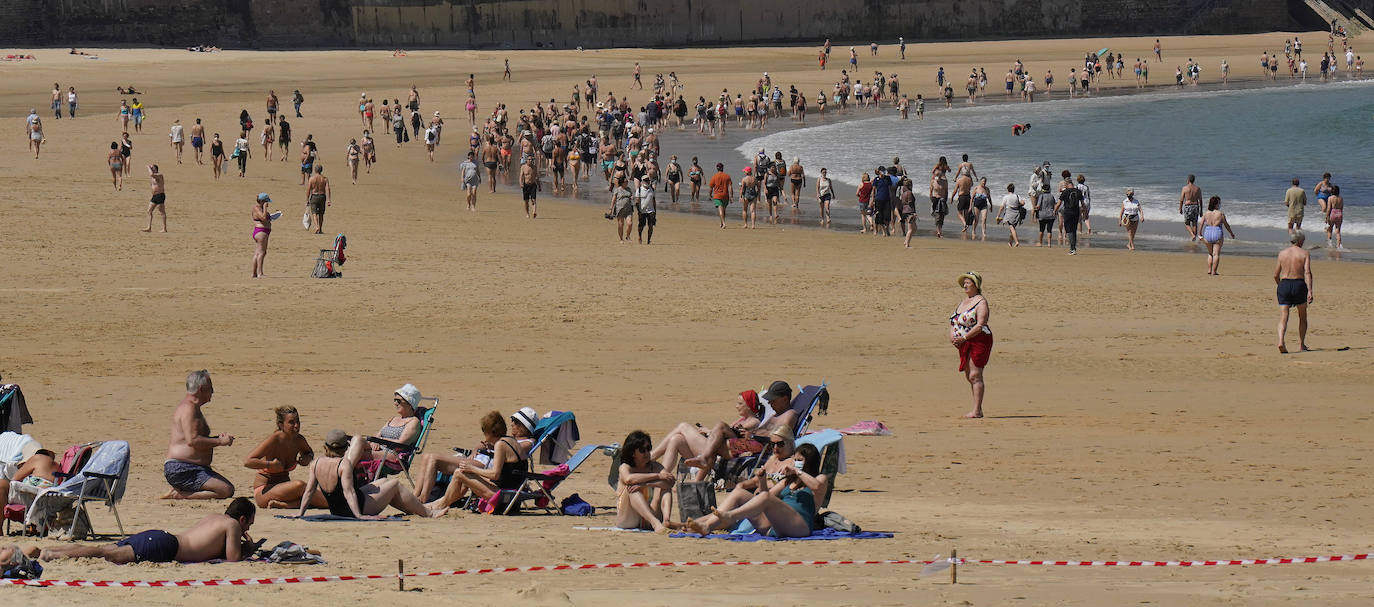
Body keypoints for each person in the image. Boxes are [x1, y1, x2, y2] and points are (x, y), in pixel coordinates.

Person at [682, 426, 819, 538]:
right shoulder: (784, 476)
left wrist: (796, 471)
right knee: (740, 494)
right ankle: (704, 526)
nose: (775, 448)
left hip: (799, 525)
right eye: (772, 444)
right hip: (776, 524)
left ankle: (728, 517)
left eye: (780, 444)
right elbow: (766, 495)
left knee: (755, 501)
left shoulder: (817, 478)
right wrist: (762, 481)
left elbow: (817, 486)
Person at [38, 498, 258, 563]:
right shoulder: (232, 525)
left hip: (161, 537)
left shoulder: (213, 518)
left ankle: (50, 550)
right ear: (241, 518)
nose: (248, 527)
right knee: (105, 553)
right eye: (249, 523)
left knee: (102, 549)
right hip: (165, 547)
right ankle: (50, 554)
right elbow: (233, 559)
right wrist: (248, 547)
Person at [297, 431, 446, 519]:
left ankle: (418, 508)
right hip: (355, 508)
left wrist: (300, 513)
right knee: (395, 485)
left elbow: (309, 491)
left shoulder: (315, 463)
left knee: (381, 482)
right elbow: (348, 492)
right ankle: (428, 513)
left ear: (325, 447)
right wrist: (359, 517)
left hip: (336, 509)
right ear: (345, 448)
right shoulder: (344, 464)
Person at [421, 408, 536, 511]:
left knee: (459, 473)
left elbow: (495, 474)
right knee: (463, 475)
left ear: (490, 432)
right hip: (513, 497)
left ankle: (440, 505)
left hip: (504, 498)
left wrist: (472, 468)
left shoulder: (500, 445)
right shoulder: (510, 441)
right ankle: (439, 503)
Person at [682, 381, 798, 481]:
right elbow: (762, 430)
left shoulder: (790, 414)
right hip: (753, 440)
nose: (769, 403)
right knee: (720, 430)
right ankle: (701, 467)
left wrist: (752, 435)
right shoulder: (776, 415)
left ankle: (703, 461)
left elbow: (780, 435)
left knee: (719, 434)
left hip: (760, 445)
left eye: (773, 400)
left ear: (785, 399)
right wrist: (747, 432)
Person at [652, 389, 767, 473]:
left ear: (749, 405)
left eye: (740, 404)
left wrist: (710, 432)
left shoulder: (753, 422)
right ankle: (663, 475)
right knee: (676, 439)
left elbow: (734, 437)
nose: (736, 406)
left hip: (718, 456)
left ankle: (652, 456)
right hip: (715, 451)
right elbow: (723, 435)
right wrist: (709, 432)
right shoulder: (743, 419)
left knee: (683, 426)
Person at [162, 370, 235, 499]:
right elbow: (193, 441)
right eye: (211, 388)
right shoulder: (189, 409)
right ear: (201, 389)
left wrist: (218, 439)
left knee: (227, 488)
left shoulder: (192, 408)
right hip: (183, 468)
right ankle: (180, 495)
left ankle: (182, 491)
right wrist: (219, 442)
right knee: (225, 490)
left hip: (194, 467)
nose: (213, 392)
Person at [410, 410, 510, 504]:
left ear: (491, 431)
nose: (483, 433)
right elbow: (481, 445)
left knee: (433, 459)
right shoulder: (494, 441)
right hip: (477, 462)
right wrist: (476, 450)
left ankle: (423, 499)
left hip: (482, 465)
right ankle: (415, 496)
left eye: (484, 430)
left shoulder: (502, 443)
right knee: (426, 457)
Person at [243, 406, 324, 508]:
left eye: (298, 421)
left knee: (310, 496)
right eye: (291, 422)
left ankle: (285, 505)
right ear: (281, 424)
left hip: (284, 490)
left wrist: (307, 458)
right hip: (264, 491)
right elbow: (247, 461)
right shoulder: (275, 439)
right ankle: (332, 504)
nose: (296, 426)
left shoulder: (299, 440)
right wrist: (269, 464)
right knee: (301, 486)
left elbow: (309, 453)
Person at [614, 430, 674, 532]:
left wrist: (646, 484)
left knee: (665, 487)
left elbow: (670, 482)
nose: (647, 453)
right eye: (642, 450)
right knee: (632, 489)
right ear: (633, 453)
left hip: (647, 518)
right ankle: (655, 523)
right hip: (628, 519)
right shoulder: (625, 467)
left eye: (648, 448)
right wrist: (657, 476)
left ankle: (666, 520)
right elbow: (629, 479)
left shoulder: (654, 466)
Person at [951, 272, 992, 419]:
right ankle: (976, 408)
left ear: (976, 285)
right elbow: (954, 321)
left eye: (968, 282)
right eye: (964, 283)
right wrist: (954, 337)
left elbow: (980, 325)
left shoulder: (981, 302)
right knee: (969, 375)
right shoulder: (963, 302)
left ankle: (977, 410)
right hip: (964, 341)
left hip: (979, 340)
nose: (965, 285)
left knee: (975, 375)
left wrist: (964, 337)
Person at [1274, 231, 1314, 353]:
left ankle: (1281, 341)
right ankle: (1301, 345)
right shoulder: (1304, 253)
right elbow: (1307, 272)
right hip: (1299, 284)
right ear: (1300, 241)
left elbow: (1276, 275)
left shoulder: (1282, 253)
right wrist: (1310, 290)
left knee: (1283, 317)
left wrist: (1281, 286)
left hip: (1284, 284)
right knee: (1302, 316)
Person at [1201, 196, 1237, 275]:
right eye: (1219, 203)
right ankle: (1214, 271)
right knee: (1216, 254)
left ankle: (1209, 270)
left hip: (1207, 232)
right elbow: (1226, 225)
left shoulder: (1206, 213)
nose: (1220, 204)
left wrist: (1200, 233)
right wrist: (1231, 233)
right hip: (1217, 232)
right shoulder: (1220, 214)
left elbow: (1201, 223)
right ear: (1217, 204)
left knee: (1210, 253)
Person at [1057, 176, 1085, 255]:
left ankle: (1072, 249)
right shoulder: (1078, 191)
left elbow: (1059, 203)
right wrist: (1085, 212)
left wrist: (1054, 210)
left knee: (1069, 231)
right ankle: (1074, 248)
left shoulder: (1065, 192)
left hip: (1068, 213)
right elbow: (1083, 204)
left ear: (1066, 184)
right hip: (1076, 212)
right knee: (1074, 230)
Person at [250, 192, 272, 278]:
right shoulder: (257, 208)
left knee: (258, 252)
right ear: (263, 201)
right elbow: (263, 218)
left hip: (262, 231)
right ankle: (260, 273)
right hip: (261, 232)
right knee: (262, 252)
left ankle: (254, 273)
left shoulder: (260, 208)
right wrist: (265, 208)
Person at [305, 164, 331, 234]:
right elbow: (327, 189)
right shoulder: (325, 179)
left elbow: (308, 189)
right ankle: (320, 229)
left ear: (315, 170)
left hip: (314, 196)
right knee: (321, 214)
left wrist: (307, 199)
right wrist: (329, 200)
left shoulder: (312, 179)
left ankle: (316, 226)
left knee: (314, 213)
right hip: (322, 196)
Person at [708, 162, 733, 229]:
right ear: (722, 168)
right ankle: (721, 223)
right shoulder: (727, 176)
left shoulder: (714, 176)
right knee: (723, 210)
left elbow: (711, 187)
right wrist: (731, 196)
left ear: (717, 168)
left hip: (717, 196)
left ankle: (724, 223)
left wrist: (710, 195)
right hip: (725, 195)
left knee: (720, 210)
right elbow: (730, 187)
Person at [143, 164, 167, 233]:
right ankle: (149, 227)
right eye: (151, 168)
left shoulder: (159, 175)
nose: (151, 169)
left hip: (160, 195)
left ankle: (164, 228)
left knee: (162, 212)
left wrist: (148, 167)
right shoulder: (153, 177)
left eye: (152, 168)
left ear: (156, 169)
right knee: (149, 211)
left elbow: (151, 174)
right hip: (154, 196)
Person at [1178, 175, 1203, 241]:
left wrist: (1180, 208)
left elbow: (1181, 199)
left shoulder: (1185, 188)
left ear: (1188, 180)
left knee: (1187, 223)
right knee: (1194, 223)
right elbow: (1200, 200)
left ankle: (1192, 235)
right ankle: (1194, 238)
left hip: (1188, 206)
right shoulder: (1197, 188)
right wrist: (1201, 211)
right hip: (1195, 206)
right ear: (1194, 180)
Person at [637, 173, 657, 243]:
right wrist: (638, 211)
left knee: (651, 226)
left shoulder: (652, 190)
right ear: (642, 181)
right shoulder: (639, 190)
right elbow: (637, 201)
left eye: (648, 180)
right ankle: (639, 236)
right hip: (642, 211)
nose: (647, 182)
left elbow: (654, 200)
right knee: (641, 226)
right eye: (645, 180)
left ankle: (648, 240)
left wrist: (655, 211)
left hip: (651, 210)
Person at [1325, 184, 1344, 249]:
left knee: (1329, 229)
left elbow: (1328, 208)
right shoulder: (1341, 198)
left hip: (1332, 213)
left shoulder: (1330, 198)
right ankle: (1339, 245)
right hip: (1339, 213)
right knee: (1338, 230)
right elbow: (1341, 208)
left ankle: (1330, 244)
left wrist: (1327, 216)